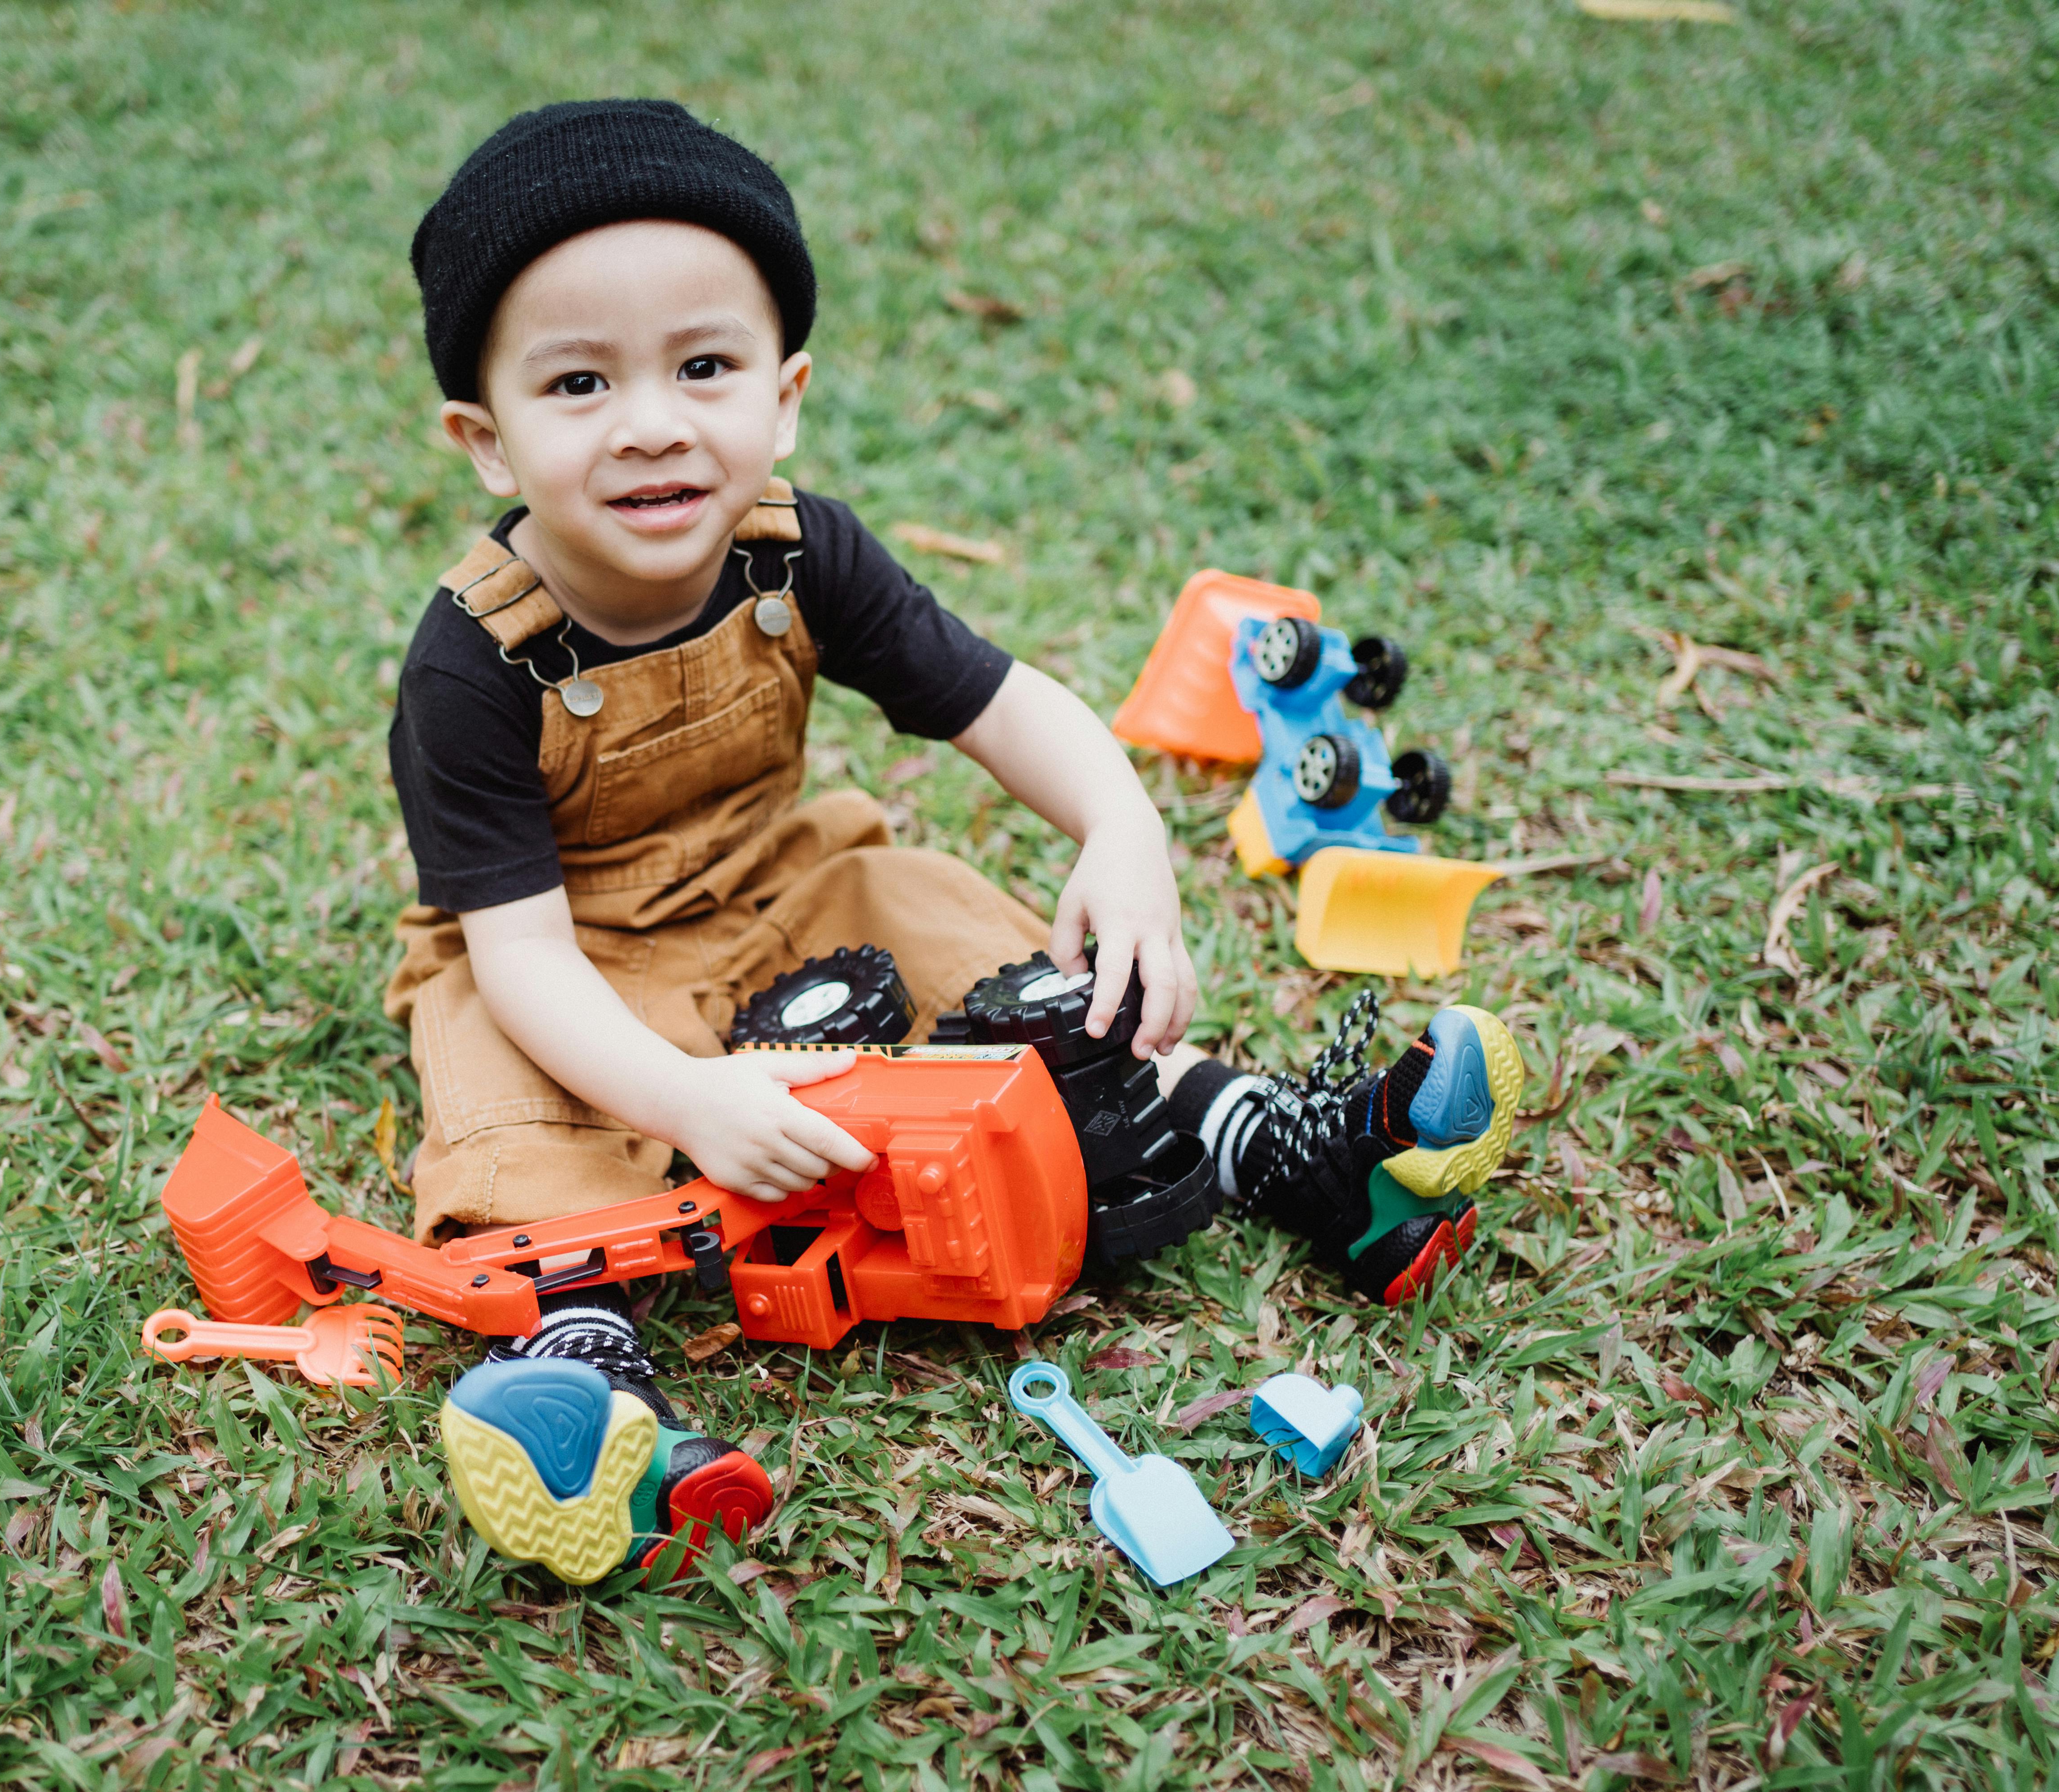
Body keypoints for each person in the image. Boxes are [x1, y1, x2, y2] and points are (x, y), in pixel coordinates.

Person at [384, 100, 1523, 1585]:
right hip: (573, 955)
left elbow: (998, 700)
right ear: (486, 440)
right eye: (581, 382)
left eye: (705, 367)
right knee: (509, 1080)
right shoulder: (473, 664)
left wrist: (1121, 826)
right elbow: (522, 954)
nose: (656, 421)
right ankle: (593, 1389)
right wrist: (687, 1095)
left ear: (782, 398)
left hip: (779, 886)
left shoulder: (799, 551)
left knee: (947, 923)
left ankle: (1293, 1154)